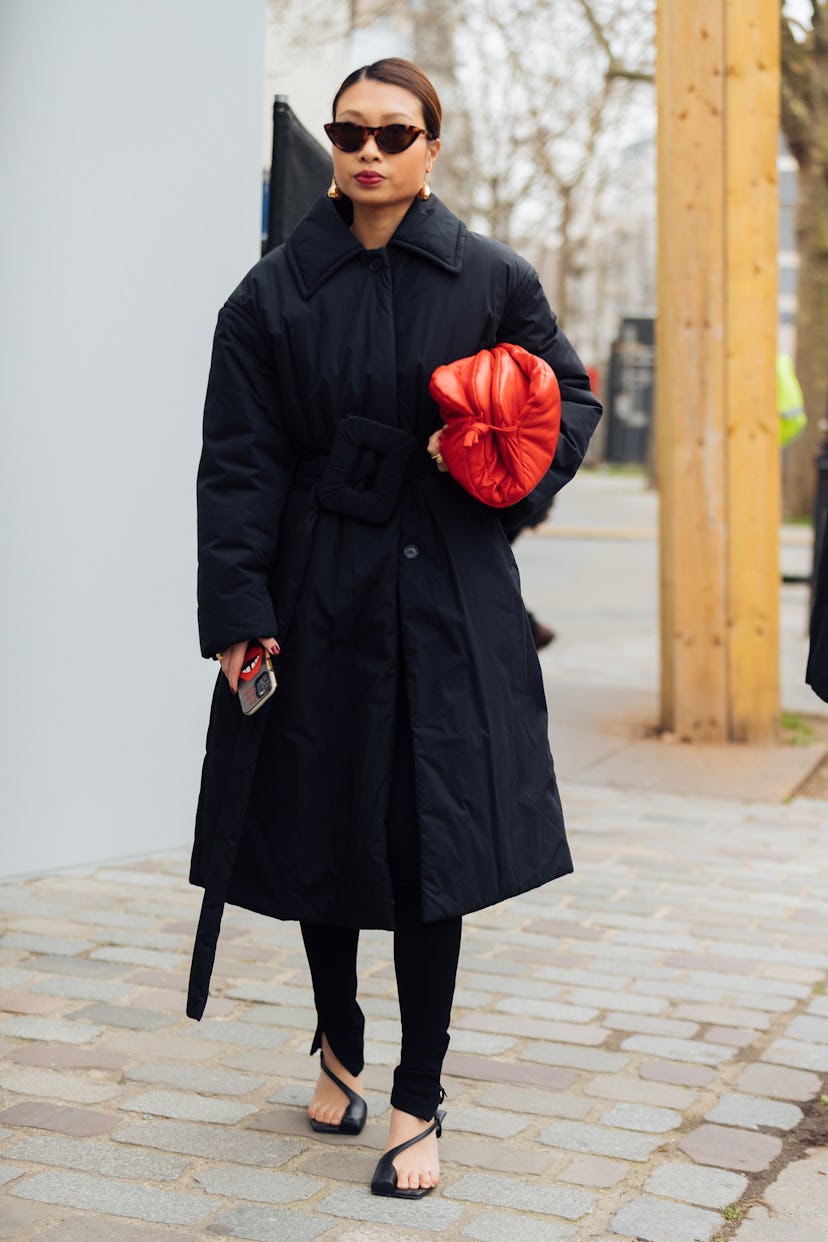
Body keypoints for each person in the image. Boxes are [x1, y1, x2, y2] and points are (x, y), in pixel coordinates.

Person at [189, 58, 601, 1199]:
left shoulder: (491, 276)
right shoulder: (271, 294)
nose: (369, 151)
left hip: (446, 591)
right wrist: (238, 617)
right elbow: (238, 465)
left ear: (433, 147)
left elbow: (570, 399)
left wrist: (497, 464)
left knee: (431, 845)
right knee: (323, 826)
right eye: (349, 132)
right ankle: (336, 1038)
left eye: (393, 132)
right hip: (316, 585)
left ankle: (420, 1095)